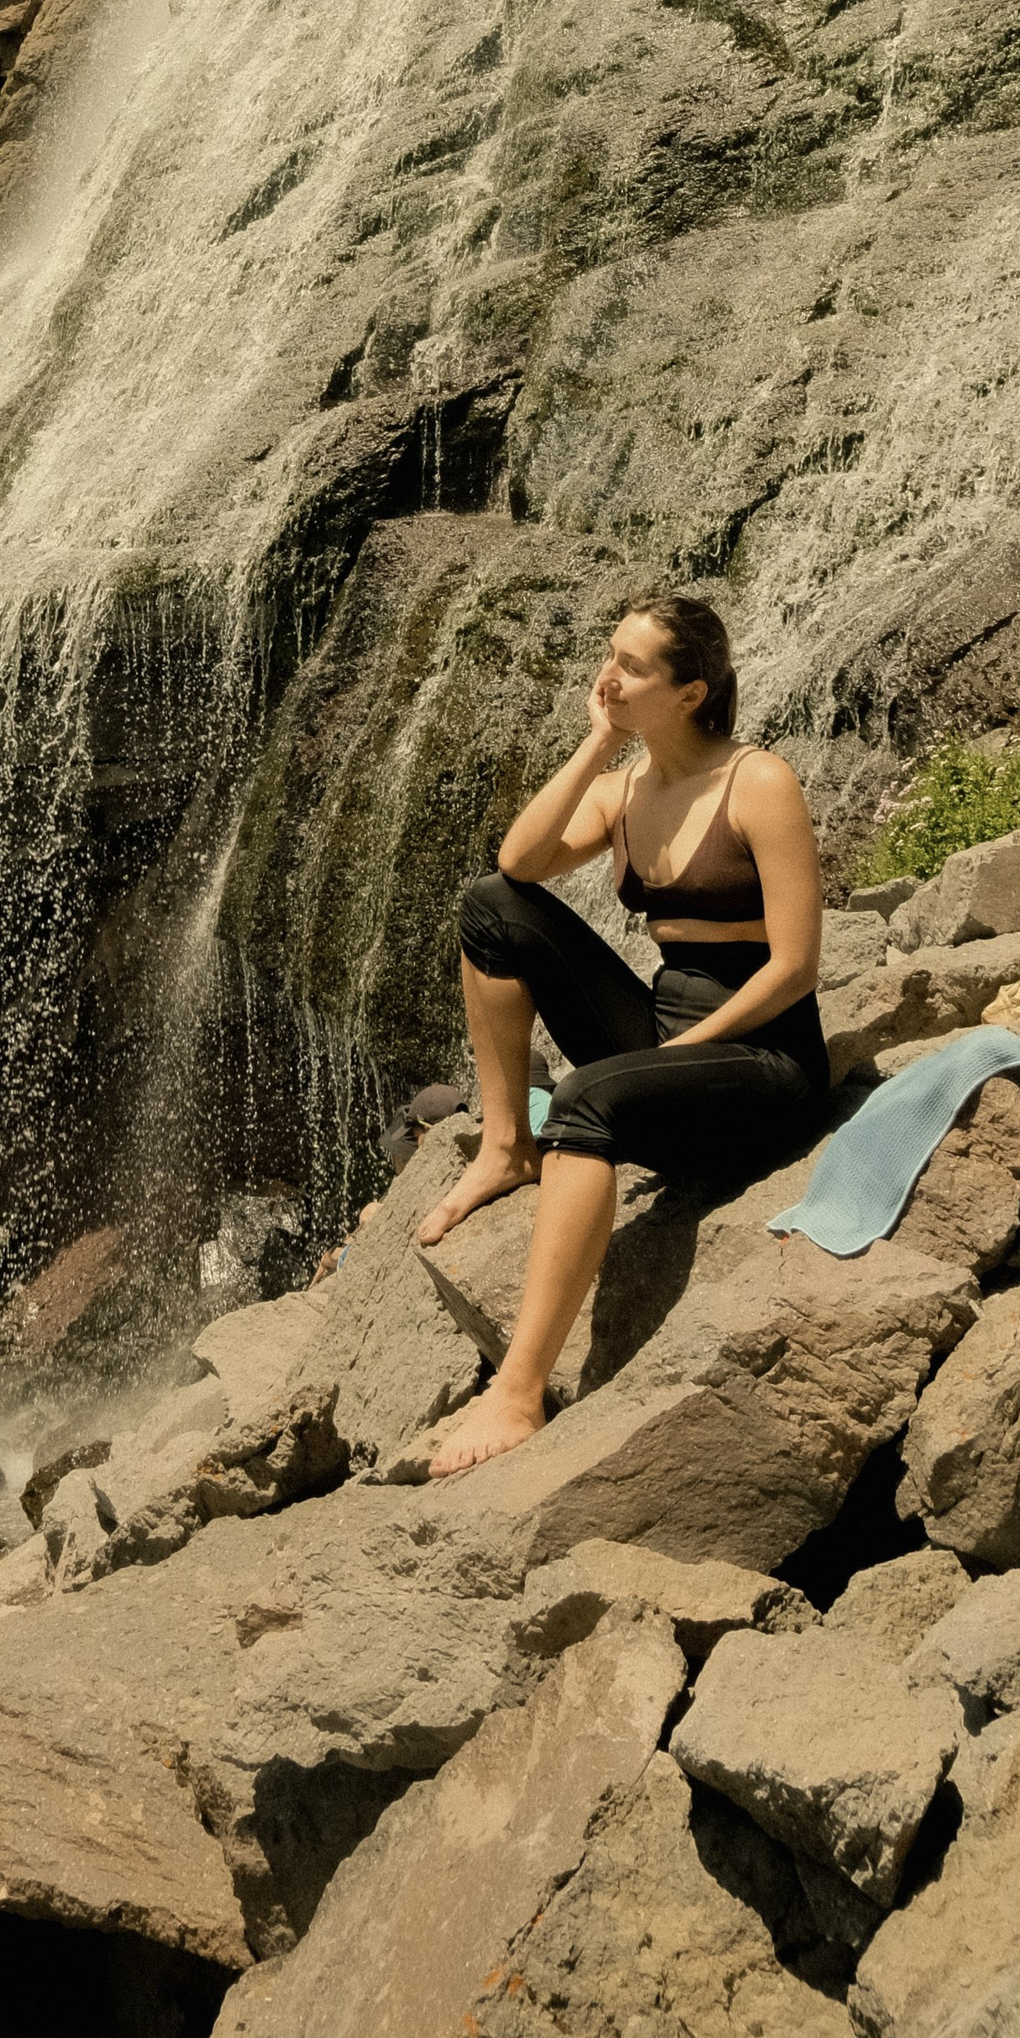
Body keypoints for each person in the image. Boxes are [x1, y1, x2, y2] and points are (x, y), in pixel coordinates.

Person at [420, 593, 829, 1478]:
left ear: (690, 692)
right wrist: (597, 743)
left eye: (632, 669)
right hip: (666, 1027)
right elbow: (518, 865)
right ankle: (505, 1146)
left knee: (587, 1095)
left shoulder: (759, 782)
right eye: (610, 657)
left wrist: (682, 1053)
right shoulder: (628, 787)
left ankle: (520, 1392)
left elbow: (795, 966)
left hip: (763, 1059)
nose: (607, 679)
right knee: (491, 912)